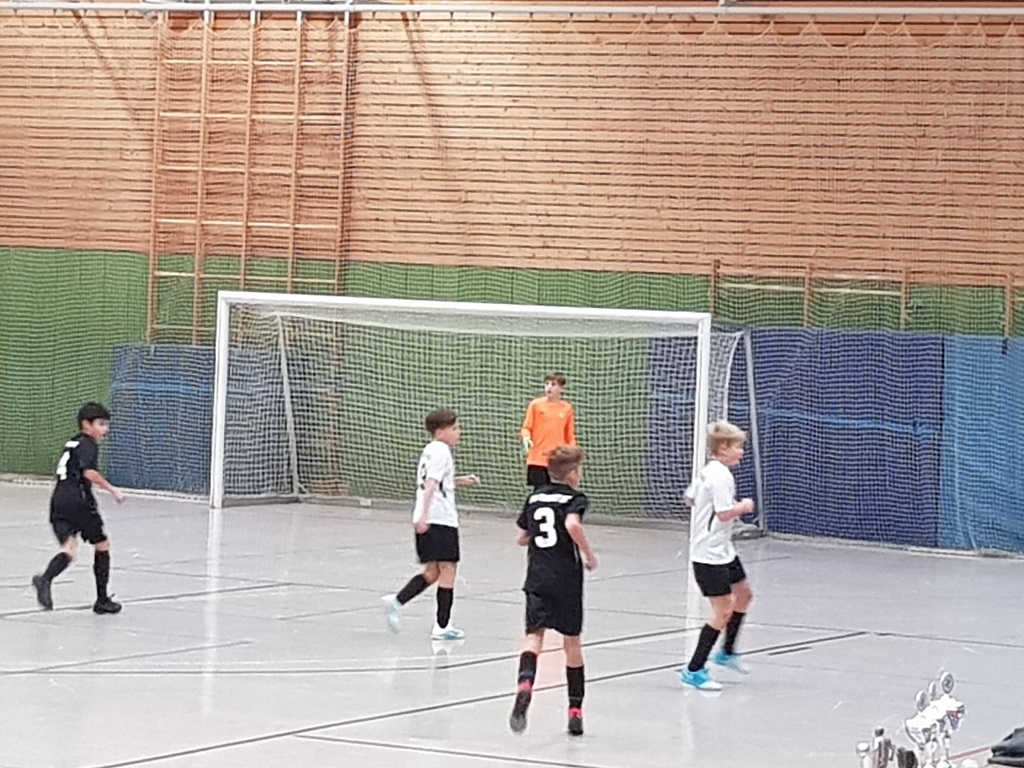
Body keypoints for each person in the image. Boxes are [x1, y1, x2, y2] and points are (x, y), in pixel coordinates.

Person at [509, 445, 596, 736]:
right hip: (566, 579)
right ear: (571, 474)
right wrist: (588, 554)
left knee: (534, 637)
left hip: (537, 577)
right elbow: (572, 524)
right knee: (572, 644)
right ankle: (575, 712)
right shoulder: (574, 498)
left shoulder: (534, 497)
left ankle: (525, 684)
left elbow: (521, 538)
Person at [382, 409, 480, 640]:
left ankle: (397, 601)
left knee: (433, 571)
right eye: (454, 428)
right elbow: (432, 484)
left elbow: (436, 481)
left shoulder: (430, 450)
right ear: (440, 431)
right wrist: (425, 515)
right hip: (439, 518)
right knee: (448, 569)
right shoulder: (441, 451)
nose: (458, 432)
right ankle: (442, 626)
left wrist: (459, 481)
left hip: (432, 516)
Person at [680, 421, 755, 691]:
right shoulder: (721, 476)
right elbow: (724, 514)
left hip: (724, 550)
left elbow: (689, 498)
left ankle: (727, 652)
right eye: (738, 447)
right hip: (708, 555)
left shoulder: (709, 471)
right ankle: (694, 669)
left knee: (744, 595)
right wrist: (743, 506)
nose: (741, 452)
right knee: (723, 610)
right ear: (723, 448)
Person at [32, 402, 125, 614]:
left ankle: (45, 579)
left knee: (69, 550)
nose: (105, 429)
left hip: (59, 500)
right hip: (79, 500)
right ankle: (102, 600)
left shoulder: (72, 443)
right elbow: (88, 472)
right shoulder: (87, 444)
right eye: (101, 424)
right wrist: (113, 490)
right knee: (102, 545)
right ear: (86, 424)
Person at [519, 373, 576, 489]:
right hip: (537, 459)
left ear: (561, 388)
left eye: (553, 384)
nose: (549, 387)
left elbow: (569, 435)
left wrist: (572, 456)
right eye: (547, 384)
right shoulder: (535, 405)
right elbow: (526, 427)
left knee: (558, 491)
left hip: (557, 460)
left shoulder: (567, 408)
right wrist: (526, 438)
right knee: (540, 491)